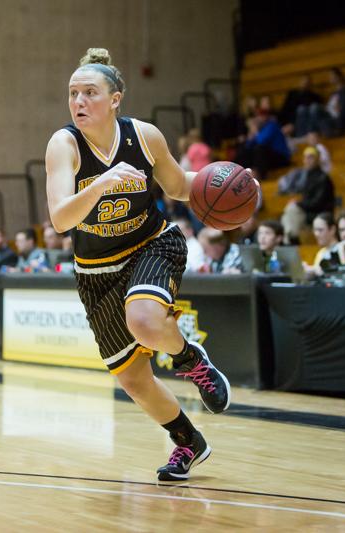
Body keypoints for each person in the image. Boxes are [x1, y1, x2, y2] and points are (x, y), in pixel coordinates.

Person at [45, 48, 246, 481]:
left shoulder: (144, 136)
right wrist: (100, 184)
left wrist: (234, 184)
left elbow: (178, 186)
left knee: (143, 318)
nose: (79, 101)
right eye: (73, 93)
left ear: (115, 98)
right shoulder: (64, 145)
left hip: (152, 245)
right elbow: (61, 218)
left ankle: (194, 362)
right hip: (96, 271)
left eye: (90, 93)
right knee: (134, 381)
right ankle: (188, 442)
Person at [280, 147, 335, 243]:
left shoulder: (323, 178)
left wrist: (298, 204)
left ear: (317, 159)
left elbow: (317, 204)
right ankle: (290, 239)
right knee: (287, 215)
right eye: (305, 157)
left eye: (311, 157)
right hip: (310, 211)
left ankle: (291, 241)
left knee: (291, 210)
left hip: (320, 213)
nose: (307, 160)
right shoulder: (307, 175)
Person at [303, 212, 345, 278]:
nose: (316, 234)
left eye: (320, 230)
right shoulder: (321, 253)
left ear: (332, 229)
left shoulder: (343, 248)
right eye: (315, 230)